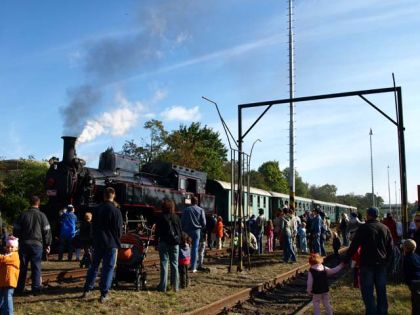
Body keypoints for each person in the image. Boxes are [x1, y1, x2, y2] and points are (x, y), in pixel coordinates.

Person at [343, 207, 393, 315]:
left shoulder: (364, 228)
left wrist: (346, 260)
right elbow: (390, 248)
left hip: (366, 265)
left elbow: (354, 246)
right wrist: (387, 262)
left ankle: (371, 312)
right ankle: (382, 312)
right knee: (381, 291)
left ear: (368, 215)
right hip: (381, 265)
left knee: (367, 292)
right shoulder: (385, 228)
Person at [83, 187, 123, 303]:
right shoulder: (116, 211)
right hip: (111, 243)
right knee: (108, 268)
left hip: (98, 242)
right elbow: (119, 230)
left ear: (104, 196)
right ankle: (104, 293)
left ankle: (87, 289)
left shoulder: (97, 209)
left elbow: (93, 226)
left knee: (94, 266)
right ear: (113, 195)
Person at [14, 196, 52, 295]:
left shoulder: (22, 215)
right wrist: (48, 244)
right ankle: (36, 289)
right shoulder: (42, 215)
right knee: (36, 267)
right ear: (38, 204)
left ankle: (19, 289)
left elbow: (16, 230)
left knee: (22, 267)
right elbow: (47, 231)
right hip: (37, 245)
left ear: (29, 203)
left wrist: (15, 242)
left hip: (23, 244)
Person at [155, 199, 182, 292]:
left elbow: (157, 232)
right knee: (175, 264)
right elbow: (180, 231)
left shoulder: (161, 217)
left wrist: (156, 243)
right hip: (175, 244)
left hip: (163, 243)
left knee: (164, 264)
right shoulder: (176, 217)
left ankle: (163, 286)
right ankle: (176, 287)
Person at [181, 196, 206, 272]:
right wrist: (200, 226)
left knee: (186, 247)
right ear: (197, 202)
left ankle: (185, 265)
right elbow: (204, 223)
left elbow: (182, 221)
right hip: (196, 231)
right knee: (195, 248)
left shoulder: (186, 210)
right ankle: (193, 267)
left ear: (191, 201)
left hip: (187, 231)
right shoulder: (201, 210)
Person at [0, 236, 20, 315]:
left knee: (8, 297)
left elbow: (5, 259)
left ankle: (9, 313)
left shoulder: (15, 255)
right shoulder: (6, 255)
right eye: (8, 247)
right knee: (1, 298)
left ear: (16, 248)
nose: (10, 248)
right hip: (3, 281)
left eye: (12, 247)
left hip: (10, 281)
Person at [402, 239, 420, 315]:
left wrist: (409, 283)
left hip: (414, 282)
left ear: (406, 248)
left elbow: (407, 272)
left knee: (416, 303)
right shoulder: (417, 255)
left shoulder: (407, 258)